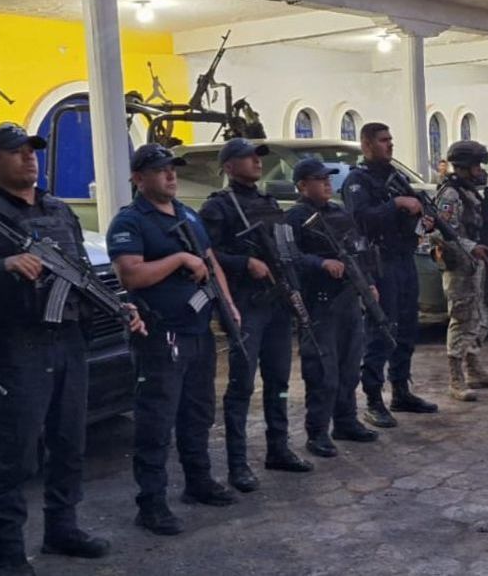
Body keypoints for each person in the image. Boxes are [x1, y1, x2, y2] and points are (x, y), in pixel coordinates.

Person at [0, 122, 144, 576]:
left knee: (69, 443)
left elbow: (81, 274)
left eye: (32, 150)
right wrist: (4, 265)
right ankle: (9, 554)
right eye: (16, 151)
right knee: (17, 455)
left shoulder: (59, 210)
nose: (29, 157)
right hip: (19, 345)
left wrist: (120, 308)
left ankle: (62, 529)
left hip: (69, 341)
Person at [107, 143, 238, 536]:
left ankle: (198, 481)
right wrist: (180, 260)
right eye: (160, 169)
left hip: (197, 330)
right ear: (138, 178)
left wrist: (228, 305)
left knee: (198, 412)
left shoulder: (187, 214)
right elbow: (130, 274)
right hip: (161, 334)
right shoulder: (130, 221)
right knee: (157, 420)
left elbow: (210, 261)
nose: (170, 175)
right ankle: (151, 503)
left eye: (172, 168)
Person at [199, 138, 313, 493]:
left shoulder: (268, 202)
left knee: (278, 382)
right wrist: (244, 262)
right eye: (247, 158)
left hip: (276, 303)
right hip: (246, 305)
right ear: (229, 166)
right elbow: (207, 254)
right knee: (241, 386)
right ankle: (238, 464)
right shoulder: (218, 206)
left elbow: (284, 248)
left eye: (257, 157)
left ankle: (278, 448)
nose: (256, 162)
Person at [342, 122, 438, 428]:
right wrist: (394, 204)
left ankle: (401, 390)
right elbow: (361, 220)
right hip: (379, 263)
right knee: (382, 329)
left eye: (391, 139)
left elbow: (414, 211)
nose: (390, 144)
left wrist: (424, 220)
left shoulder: (396, 177)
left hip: (404, 258)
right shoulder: (358, 181)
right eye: (383, 140)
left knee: (407, 327)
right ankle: (373, 399)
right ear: (367, 145)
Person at [285, 158, 379, 457]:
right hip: (319, 302)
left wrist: (368, 282)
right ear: (302, 185)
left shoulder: (338, 212)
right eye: (319, 179)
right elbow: (288, 257)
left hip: (347, 299)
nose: (327, 183)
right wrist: (321, 263)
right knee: (322, 370)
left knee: (350, 365)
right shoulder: (294, 217)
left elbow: (357, 250)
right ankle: (317, 432)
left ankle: (346, 421)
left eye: (328, 178)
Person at [431, 141, 488, 401]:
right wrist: (470, 246)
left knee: (477, 316)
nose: (480, 170)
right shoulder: (450, 195)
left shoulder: (469, 191)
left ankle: (474, 368)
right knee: (460, 317)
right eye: (476, 165)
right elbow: (439, 233)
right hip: (459, 265)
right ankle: (456, 378)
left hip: (475, 263)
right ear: (465, 166)